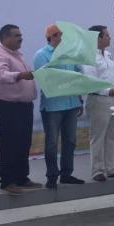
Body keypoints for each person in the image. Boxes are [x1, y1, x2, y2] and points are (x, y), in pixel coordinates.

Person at [0, 24, 42, 195]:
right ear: (5, 38)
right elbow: (2, 76)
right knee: (10, 143)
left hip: (23, 106)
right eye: (17, 35)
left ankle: (21, 178)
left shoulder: (17, 55)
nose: (21, 38)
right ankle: (7, 181)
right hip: (7, 106)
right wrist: (21, 75)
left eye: (21, 34)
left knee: (23, 143)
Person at [33, 24, 85, 189]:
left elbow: (79, 75)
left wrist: (79, 99)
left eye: (62, 35)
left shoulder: (69, 54)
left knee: (70, 141)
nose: (62, 38)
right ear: (51, 37)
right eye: (58, 35)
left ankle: (66, 174)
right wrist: (68, 78)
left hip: (71, 103)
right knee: (52, 143)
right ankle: (52, 176)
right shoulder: (41, 55)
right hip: (53, 106)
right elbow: (46, 79)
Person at [82, 25, 114, 182]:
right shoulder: (89, 56)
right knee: (98, 136)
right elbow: (91, 81)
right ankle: (97, 170)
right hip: (98, 99)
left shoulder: (108, 55)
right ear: (98, 38)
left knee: (113, 134)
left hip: (113, 99)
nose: (109, 38)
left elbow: (112, 78)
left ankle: (112, 168)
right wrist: (108, 91)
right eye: (106, 35)